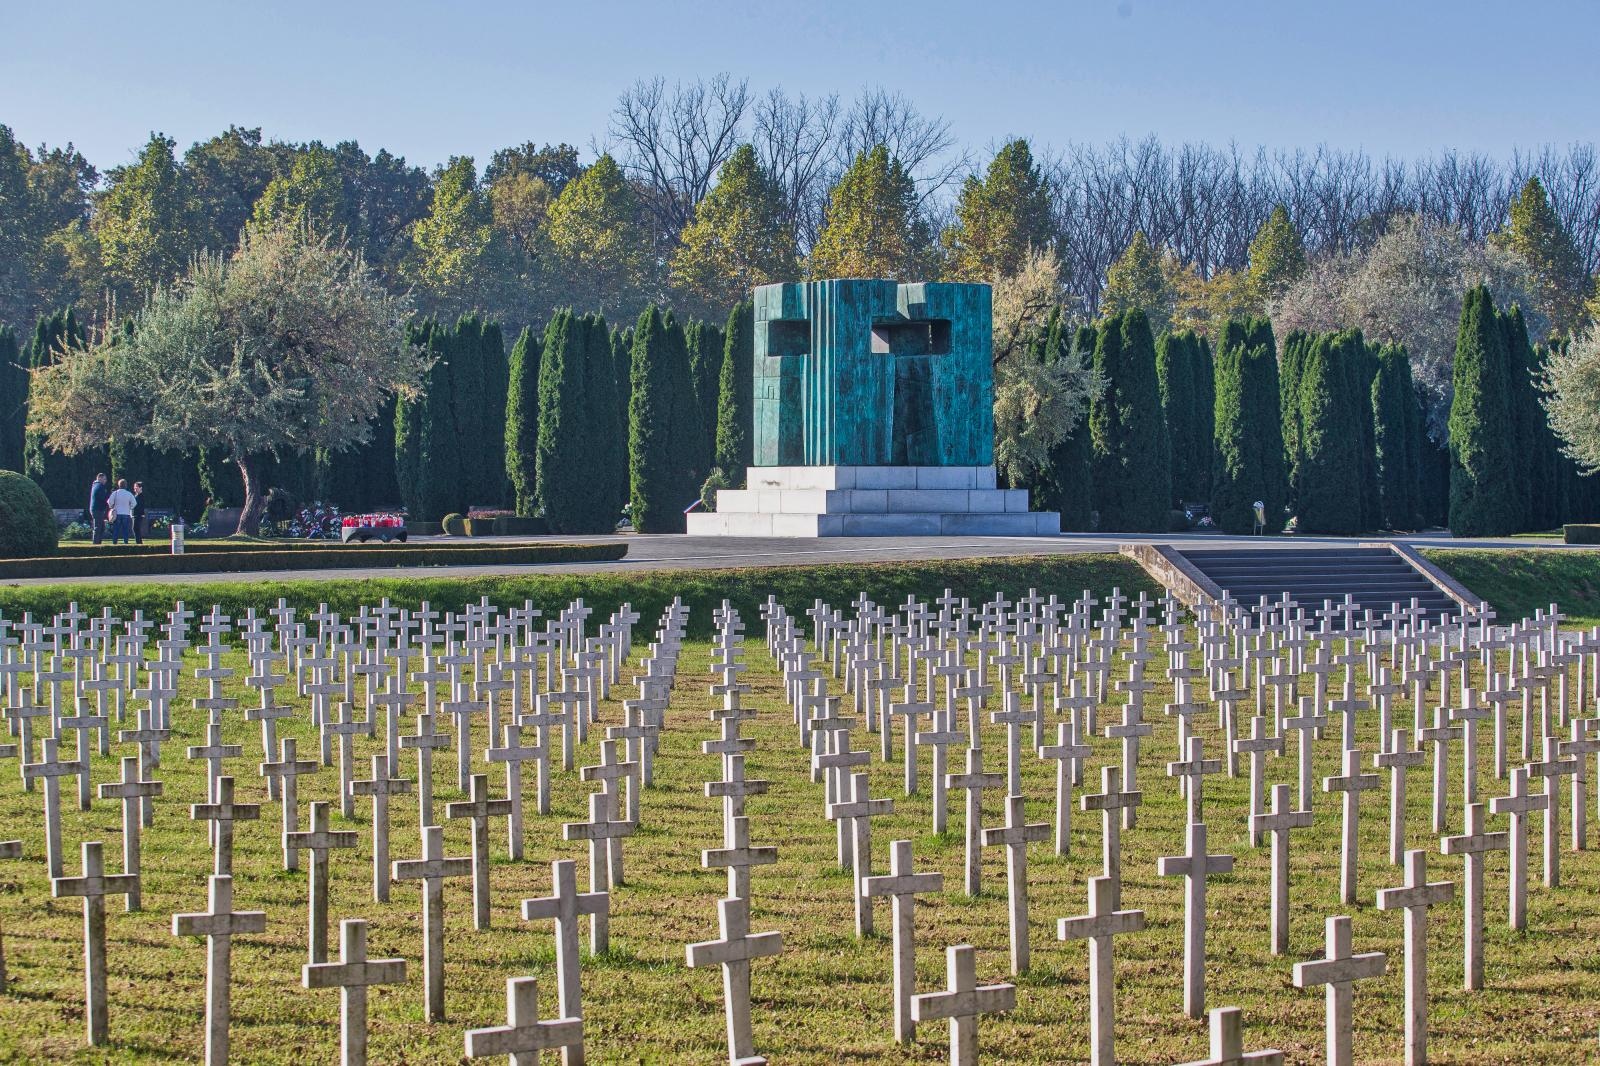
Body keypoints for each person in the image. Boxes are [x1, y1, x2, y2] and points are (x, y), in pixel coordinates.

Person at [106, 478, 137, 545]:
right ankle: (126, 542)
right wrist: (129, 508)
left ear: (119, 485)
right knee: (125, 529)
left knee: (116, 529)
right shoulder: (129, 494)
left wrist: (112, 507)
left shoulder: (115, 493)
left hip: (117, 513)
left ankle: (114, 542)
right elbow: (134, 503)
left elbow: (109, 502)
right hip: (126, 513)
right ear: (126, 485)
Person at [88, 473, 109, 544]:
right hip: (97, 509)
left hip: (95, 509)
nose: (105, 481)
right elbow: (104, 498)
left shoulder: (95, 485)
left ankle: (98, 543)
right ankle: (96, 544)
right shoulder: (100, 486)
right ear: (99, 478)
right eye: (104, 479)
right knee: (98, 527)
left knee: (101, 527)